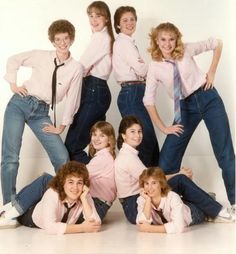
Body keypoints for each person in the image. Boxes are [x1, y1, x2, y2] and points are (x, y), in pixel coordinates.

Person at [143, 22, 235, 213]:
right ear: (156, 41)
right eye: (163, 40)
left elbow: (217, 43)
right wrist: (163, 127)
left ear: (176, 39)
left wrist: (212, 72)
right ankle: (178, 203)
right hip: (184, 109)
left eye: (171, 39)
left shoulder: (185, 50)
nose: (167, 44)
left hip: (208, 97)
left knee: (224, 153)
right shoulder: (154, 67)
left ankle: (234, 202)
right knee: (166, 161)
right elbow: (148, 100)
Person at [1, 19, 83, 205]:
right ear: (52, 42)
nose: (62, 43)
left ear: (71, 39)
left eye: (66, 38)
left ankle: (62, 201)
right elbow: (13, 59)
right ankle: (8, 206)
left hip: (41, 113)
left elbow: (73, 98)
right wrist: (13, 84)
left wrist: (62, 126)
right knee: (11, 157)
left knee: (62, 157)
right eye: (58, 39)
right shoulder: (41, 55)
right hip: (20, 103)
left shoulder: (76, 68)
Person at [115, 115, 233, 224]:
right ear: (123, 135)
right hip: (134, 206)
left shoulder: (128, 153)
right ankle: (217, 211)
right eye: (132, 132)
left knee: (181, 198)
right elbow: (151, 180)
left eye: (139, 131)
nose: (137, 135)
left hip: (135, 201)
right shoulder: (128, 157)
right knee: (180, 180)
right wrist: (178, 174)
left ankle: (211, 206)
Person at [65, 1, 114, 164]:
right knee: (99, 145)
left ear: (106, 18)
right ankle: (101, 180)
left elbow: (81, 66)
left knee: (73, 146)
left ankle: (89, 178)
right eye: (90, 16)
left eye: (98, 15)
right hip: (97, 90)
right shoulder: (101, 37)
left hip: (94, 89)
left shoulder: (101, 38)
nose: (93, 19)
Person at [112, 6, 159, 167]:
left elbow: (141, 68)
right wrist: (151, 68)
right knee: (144, 140)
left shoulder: (129, 43)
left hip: (137, 91)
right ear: (118, 25)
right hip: (131, 92)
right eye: (125, 20)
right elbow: (141, 69)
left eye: (132, 19)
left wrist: (145, 68)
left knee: (150, 140)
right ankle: (142, 184)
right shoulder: (124, 43)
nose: (129, 23)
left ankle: (159, 184)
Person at [0, 161, 101, 234]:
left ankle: (9, 205)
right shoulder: (52, 193)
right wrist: (82, 228)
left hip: (47, 208)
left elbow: (95, 223)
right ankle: (7, 211)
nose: (75, 187)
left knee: (45, 180)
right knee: (45, 180)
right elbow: (50, 227)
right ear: (63, 183)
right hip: (30, 216)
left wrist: (84, 199)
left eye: (79, 183)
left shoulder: (84, 195)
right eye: (71, 182)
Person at [137, 167, 234, 234]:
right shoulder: (142, 199)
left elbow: (178, 227)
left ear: (161, 184)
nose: (149, 188)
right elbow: (141, 222)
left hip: (192, 213)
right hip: (180, 206)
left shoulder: (172, 196)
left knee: (203, 212)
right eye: (146, 183)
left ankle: (210, 198)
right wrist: (148, 201)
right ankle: (209, 197)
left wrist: (150, 228)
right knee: (181, 202)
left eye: (154, 183)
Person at [86, 121, 117, 220]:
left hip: (97, 205)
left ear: (109, 140)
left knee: (46, 181)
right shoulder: (105, 156)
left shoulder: (102, 158)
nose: (96, 139)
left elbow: (77, 175)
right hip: (99, 204)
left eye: (102, 135)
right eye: (94, 134)